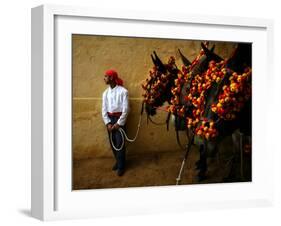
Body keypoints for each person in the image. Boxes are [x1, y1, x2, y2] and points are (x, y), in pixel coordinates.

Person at [102, 69, 129, 176]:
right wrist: (108, 123)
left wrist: (119, 124)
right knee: (112, 142)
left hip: (119, 120)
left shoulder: (123, 91)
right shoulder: (105, 93)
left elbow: (126, 109)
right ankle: (118, 161)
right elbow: (104, 109)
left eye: (105, 76)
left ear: (111, 78)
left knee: (120, 143)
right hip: (110, 119)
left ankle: (121, 166)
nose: (104, 78)